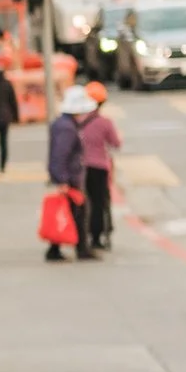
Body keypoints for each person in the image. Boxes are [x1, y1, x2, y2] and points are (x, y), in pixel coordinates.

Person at [45, 85, 91, 262]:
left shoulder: (61, 124)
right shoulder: (67, 128)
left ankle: (56, 248)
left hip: (66, 176)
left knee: (65, 212)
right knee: (78, 212)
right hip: (70, 178)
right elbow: (60, 154)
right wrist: (63, 179)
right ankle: (81, 248)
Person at [79, 82, 122, 255]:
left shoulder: (78, 122)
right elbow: (116, 144)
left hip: (82, 168)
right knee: (100, 203)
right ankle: (98, 236)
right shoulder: (105, 123)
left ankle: (85, 234)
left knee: (85, 201)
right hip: (100, 167)